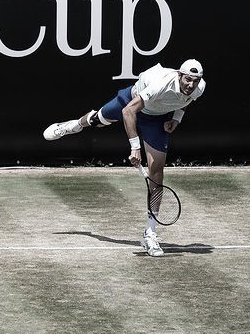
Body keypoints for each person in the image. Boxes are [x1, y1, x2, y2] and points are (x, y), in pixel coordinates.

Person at [42, 59, 206, 257]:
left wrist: (176, 119)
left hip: (156, 120)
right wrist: (135, 148)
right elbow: (128, 111)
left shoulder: (198, 88)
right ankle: (72, 126)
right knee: (96, 121)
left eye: (195, 81)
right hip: (130, 103)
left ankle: (150, 233)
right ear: (179, 75)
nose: (191, 85)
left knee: (157, 172)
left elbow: (185, 101)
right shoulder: (160, 84)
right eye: (188, 79)